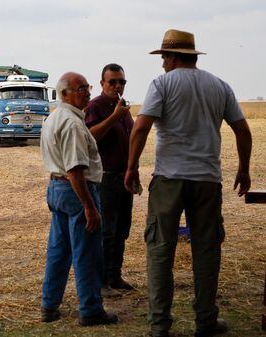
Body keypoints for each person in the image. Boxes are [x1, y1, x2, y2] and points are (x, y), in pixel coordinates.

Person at [125, 29, 252, 337]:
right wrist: (244, 169)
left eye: (164, 57)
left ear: (171, 56)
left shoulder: (162, 84)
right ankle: (206, 321)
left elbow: (141, 128)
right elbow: (242, 131)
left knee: (160, 250)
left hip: (169, 178)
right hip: (207, 180)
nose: (162, 63)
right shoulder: (219, 86)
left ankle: (159, 325)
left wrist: (131, 168)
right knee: (207, 251)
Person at [39, 72, 118, 326]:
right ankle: (91, 310)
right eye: (81, 89)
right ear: (64, 94)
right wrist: (89, 206)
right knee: (87, 253)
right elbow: (74, 170)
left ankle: (49, 306)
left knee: (58, 252)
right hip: (74, 190)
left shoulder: (54, 118)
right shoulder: (72, 124)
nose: (87, 92)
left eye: (87, 87)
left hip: (56, 189)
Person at [84, 63, 135, 297]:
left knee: (122, 229)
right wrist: (114, 117)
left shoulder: (122, 107)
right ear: (102, 83)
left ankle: (115, 276)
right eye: (112, 81)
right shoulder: (96, 106)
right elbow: (90, 136)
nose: (117, 86)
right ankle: (102, 282)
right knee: (107, 231)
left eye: (121, 82)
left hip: (124, 178)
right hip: (105, 179)